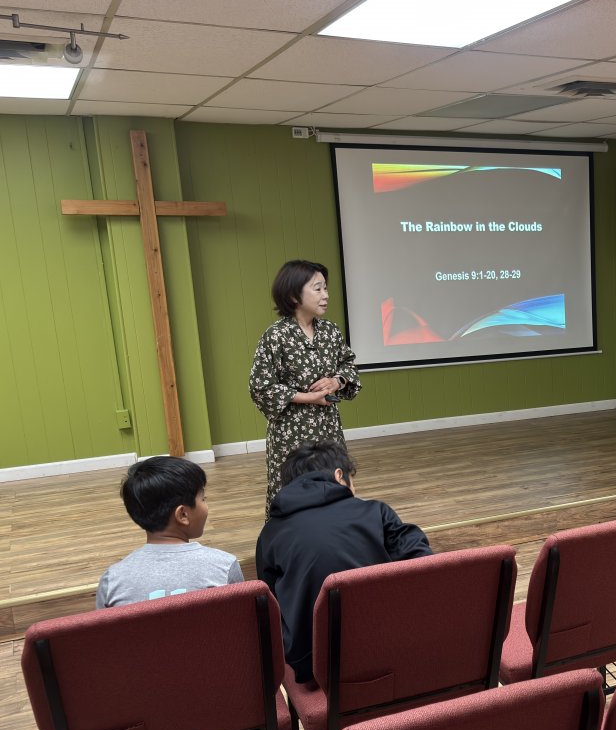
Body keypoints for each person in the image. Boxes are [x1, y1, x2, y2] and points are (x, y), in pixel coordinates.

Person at [255, 440, 432, 684]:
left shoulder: (270, 534)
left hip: (312, 665)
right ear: (339, 476)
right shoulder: (376, 512)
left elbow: (270, 607)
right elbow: (425, 564)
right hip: (391, 648)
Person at [249, 260, 361, 516]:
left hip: (328, 428)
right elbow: (260, 387)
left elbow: (349, 366)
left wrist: (337, 381)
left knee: (334, 483)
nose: (326, 295)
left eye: (326, 288)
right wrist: (307, 397)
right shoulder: (276, 336)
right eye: (317, 289)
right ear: (293, 295)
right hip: (290, 433)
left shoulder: (330, 331)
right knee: (291, 490)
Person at [96, 457, 243, 609]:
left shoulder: (112, 581)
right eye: (203, 499)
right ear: (183, 515)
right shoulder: (224, 566)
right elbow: (242, 618)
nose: (206, 504)